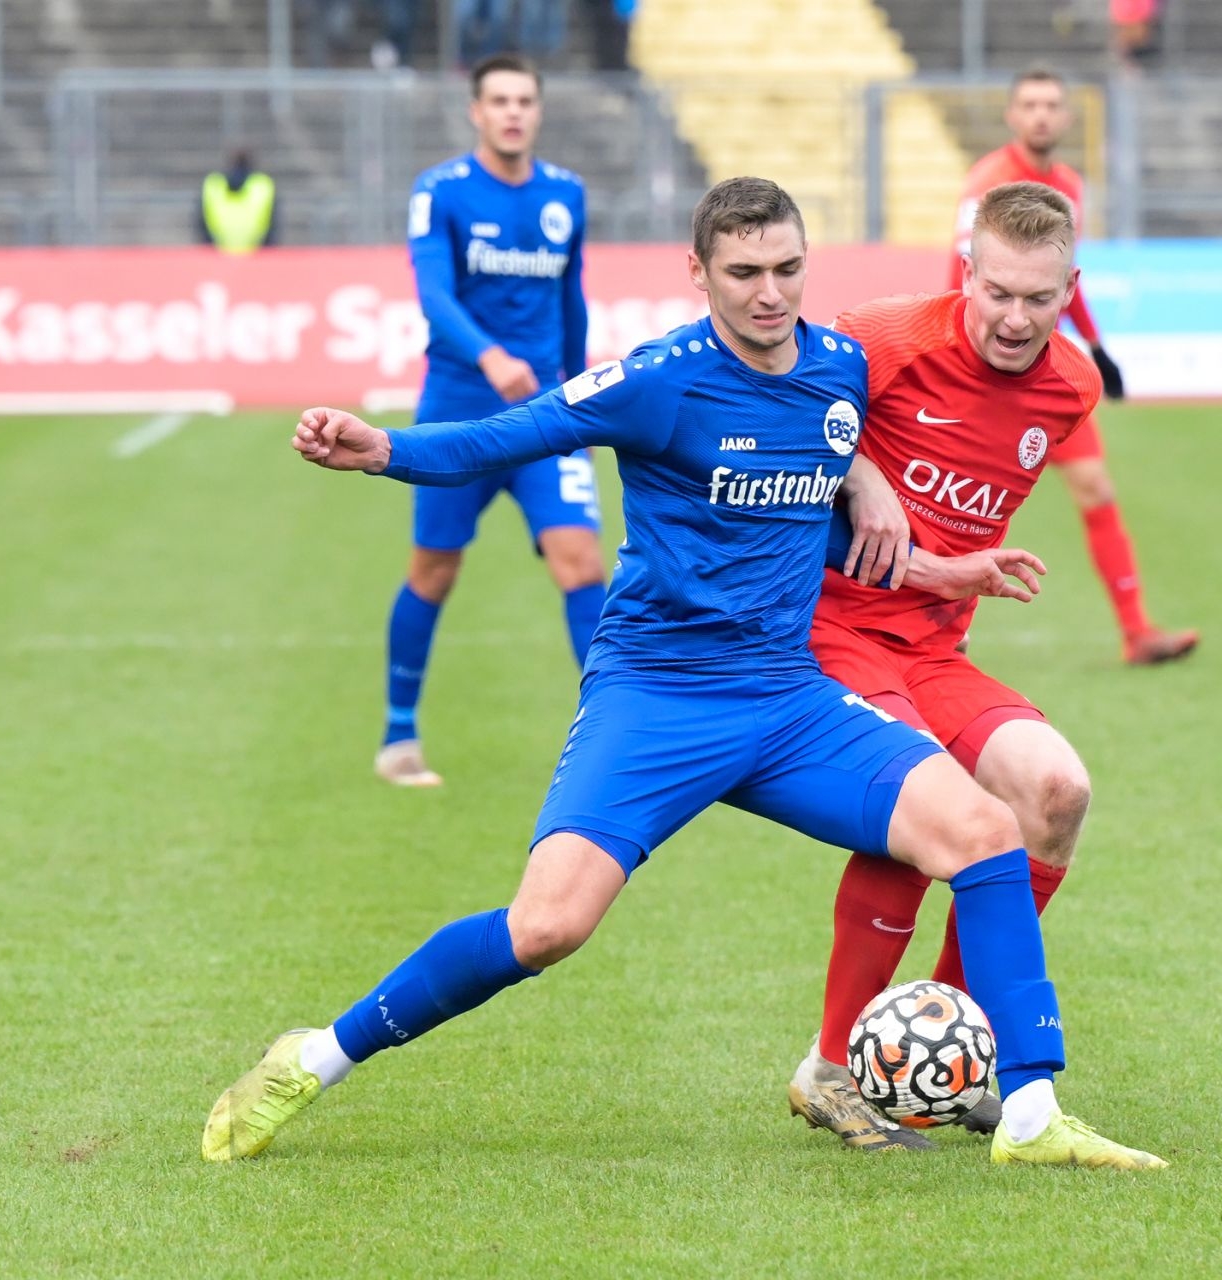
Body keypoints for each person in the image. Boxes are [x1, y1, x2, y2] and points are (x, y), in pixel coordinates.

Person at [201, 177, 1167, 1172]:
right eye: (744, 272)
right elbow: (515, 433)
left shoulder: (840, 367)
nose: (769, 293)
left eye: (786, 268)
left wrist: (915, 545)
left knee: (987, 831)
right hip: (657, 696)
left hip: (789, 697)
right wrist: (384, 450)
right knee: (546, 927)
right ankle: (314, 1057)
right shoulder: (658, 379)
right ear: (698, 273)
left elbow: (815, 501)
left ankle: (1030, 1109)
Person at [790, 181, 1137, 1153]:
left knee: (1057, 791)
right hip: (832, 631)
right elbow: (779, 412)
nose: (1016, 318)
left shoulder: (1070, 387)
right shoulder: (884, 336)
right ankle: (829, 1069)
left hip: (936, 648)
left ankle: (946, 1053)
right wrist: (861, 473)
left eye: (1040, 298)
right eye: (998, 293)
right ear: (968, 274)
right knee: (928, 808)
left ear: (1070, 289)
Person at [377, 54, 604, 788]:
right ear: (476, 111)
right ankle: (399, 735)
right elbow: (434, 295)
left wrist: (581, 393)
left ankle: (611, 736)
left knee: (582, 562)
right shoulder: (440, 191)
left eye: (525, 100)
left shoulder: (565, 193)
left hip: (544, 415)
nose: (513, 112)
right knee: (434, 570)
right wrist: (490, 355)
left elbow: (571, 298)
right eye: (500, 100)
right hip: (458, 412)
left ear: (538, 111)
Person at [952, 69, 1197, 667]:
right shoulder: (986, 185)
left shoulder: (1067, 187)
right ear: (1012, 115)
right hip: (985, 372)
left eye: (1051, 105)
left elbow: (1062, 282)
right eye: (1030, 104)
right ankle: (935, 636)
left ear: (1065, 118)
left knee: (1095, 486)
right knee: (966, 504)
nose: (1041, 115)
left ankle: (1137, 632)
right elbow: (961, 283)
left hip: (1048, 372)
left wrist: (1096, 345)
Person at [195, 150, 277, 254]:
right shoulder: (263, 185)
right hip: (257, 254)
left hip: (217, 254)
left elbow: (201, 224)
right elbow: (273, 227)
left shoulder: (213, 185)